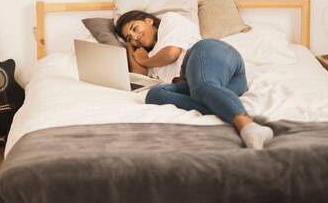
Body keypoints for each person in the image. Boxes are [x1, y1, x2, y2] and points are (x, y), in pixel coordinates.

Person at [115, 10, 274, 149]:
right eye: (130, 37)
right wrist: (129, 46)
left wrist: (143, 60)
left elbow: (172, 53)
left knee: (201, 86)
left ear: (148, 20)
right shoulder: (150, 57)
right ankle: (230, 108)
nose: (135, 36)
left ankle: (248, 125)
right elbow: (140, 76)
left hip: (212, 53)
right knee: (154, 94)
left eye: (134, 28)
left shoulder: (169, 21)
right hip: (214, 88)